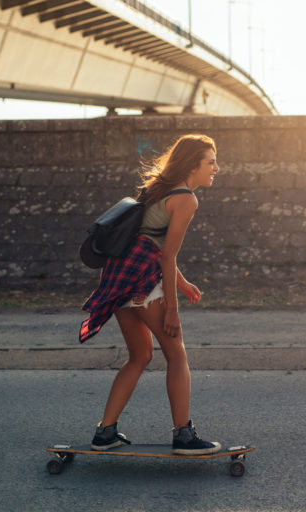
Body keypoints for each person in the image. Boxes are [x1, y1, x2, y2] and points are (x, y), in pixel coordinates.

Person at [79, 134, 221, 455]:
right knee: (177, 354)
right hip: (142, 282)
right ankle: (184, 435)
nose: (216, 168)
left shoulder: (157, 189)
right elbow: (167, 255)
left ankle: (105, 432)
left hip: (119, 277)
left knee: (140, 355)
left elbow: (150, 242)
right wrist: (172, 307)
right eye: (210, 162)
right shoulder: (186, 199)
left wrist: (183, 284)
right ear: (192, 165)